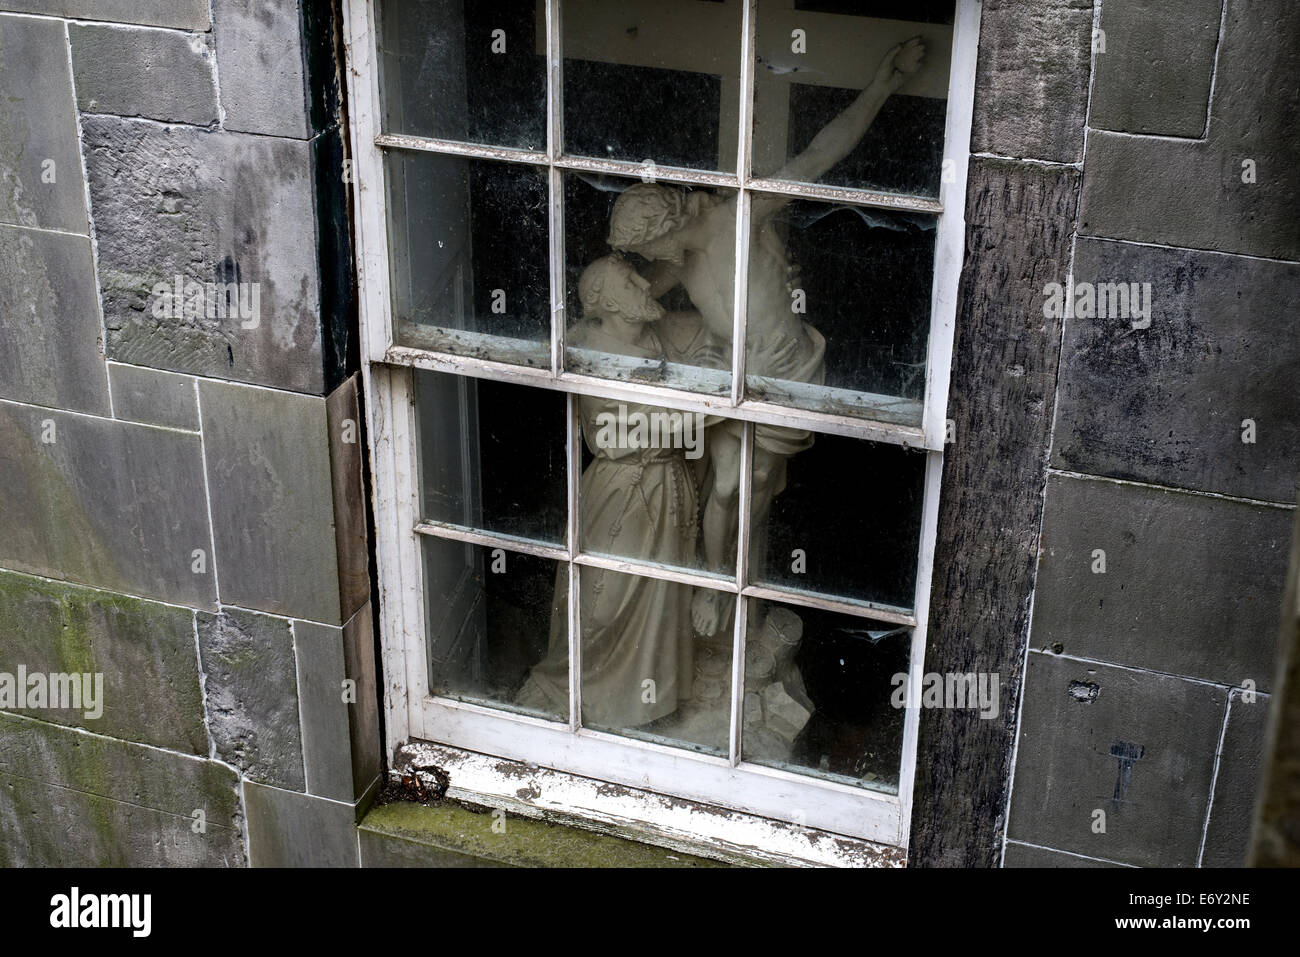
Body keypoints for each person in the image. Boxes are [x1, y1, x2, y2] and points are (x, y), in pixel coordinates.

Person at [606, 38, 927, 635]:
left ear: (666, 227)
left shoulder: (740, 217)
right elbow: (629, 291)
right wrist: (593, 306)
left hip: (787, 369)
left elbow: (818, 155)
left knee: (750, 487)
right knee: (725, 486)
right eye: (649, 256)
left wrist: (885, 81)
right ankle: (714, 578)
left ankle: (734, 588)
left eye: (650, 249)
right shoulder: (681, 262)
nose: (655, 261)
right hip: (736, 373)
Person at [516, 256, 702, 728]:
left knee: (659, 600)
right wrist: (705, 414)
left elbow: (679, 291)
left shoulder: (652, 331)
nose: (645, 283)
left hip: (670, 485)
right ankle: (564, 685)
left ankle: (639, 707)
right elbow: (612, 436)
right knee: (602, 603)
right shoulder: (591, 350)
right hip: (624, 492)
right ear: (605, 300)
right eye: (630, 280)